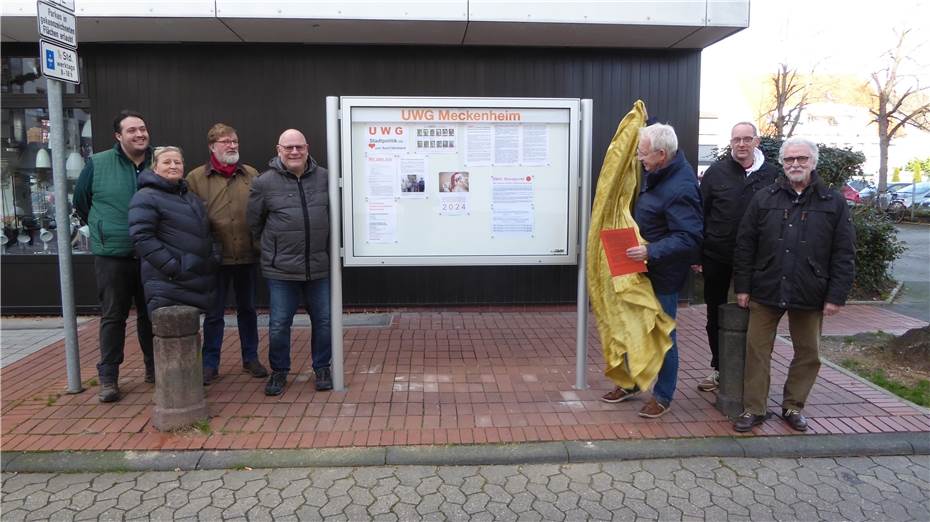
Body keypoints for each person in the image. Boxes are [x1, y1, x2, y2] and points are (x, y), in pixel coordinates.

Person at [731, 136, 855, 433]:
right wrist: (743, 287)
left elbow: (844, 251)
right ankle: (754, 408)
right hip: (766, 288)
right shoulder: (765, 197)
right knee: (757, 351)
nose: (795, 164)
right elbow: (745, 244)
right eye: (789, 160)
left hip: (810, 291)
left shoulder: (833, 201)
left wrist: (836, 295)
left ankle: (793, 406)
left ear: (813, 162)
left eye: (801, 159)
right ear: (782, 163)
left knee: (808, 353)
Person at [600, 123, 703, 418]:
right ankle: (631, 383)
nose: (639, 159)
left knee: (663, 336)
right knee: (631, 327)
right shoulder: (656, 173)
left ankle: (663, 395)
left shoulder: (681, 187)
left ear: (661, 153)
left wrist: (650, 250)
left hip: (662, 275)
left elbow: (689, 236)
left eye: (643, 154)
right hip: (639, 269)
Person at [72, 110, 155, 403]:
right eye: (132, 130)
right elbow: (81, 201)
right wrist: (102, 228)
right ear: (118, 136)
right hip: (113, 255)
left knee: (151, 316)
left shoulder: (158, 161)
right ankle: (108, 377)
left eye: (142, 128)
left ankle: (153, 369)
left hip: (151, 254)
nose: (139, 134)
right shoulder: (98, 163)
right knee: (113, 317)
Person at [692, 122, 779, 393]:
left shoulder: (773, 175)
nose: (741, 144)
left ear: (757, 141)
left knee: (757, 315)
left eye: (746, 139)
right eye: (736, 139)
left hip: (757, 260)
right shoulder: (716, 173)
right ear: (731, 142)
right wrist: (698, 255)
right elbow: (699, 215)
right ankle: (719, 368)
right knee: (714, 313)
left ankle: (751, 372)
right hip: (717, 254)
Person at [247, 129, 332, 396]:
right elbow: (254, 223)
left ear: (307, 147)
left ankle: (322, 368)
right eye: (289, 148)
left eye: (299, 147)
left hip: (318, 266)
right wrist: (273, 252)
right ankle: (279, 372)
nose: (294, 152)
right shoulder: (264, 182)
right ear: (278, 149)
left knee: (324, 321)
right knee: (279, 324)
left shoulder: (325, 178)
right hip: (281, 270)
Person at [187, 124, 269, 385]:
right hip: (215, 259)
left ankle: (251, 358)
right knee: (214, 314)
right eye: (225, 142)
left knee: (248, 310)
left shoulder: (252, 174)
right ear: (212, 146)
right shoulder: (195, 178)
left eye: (235, 141)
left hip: (246, 254)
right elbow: (189, 217)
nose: (232, 146)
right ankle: (210, 364)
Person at [128, 147, 218, 315]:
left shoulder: (190, 198)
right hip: (167, 283)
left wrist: (213, 257)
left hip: (193, 282)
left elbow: (207, 232)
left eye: (177, 162)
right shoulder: (146, 197)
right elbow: (142, 237)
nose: (173, 166)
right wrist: (172, 268)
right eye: (167, 162)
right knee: (171, 335)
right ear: (155, 167)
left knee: (188, 335)